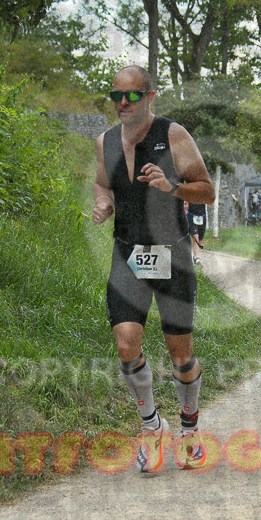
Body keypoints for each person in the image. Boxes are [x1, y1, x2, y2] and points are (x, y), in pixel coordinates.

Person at [91, 65, 215, 473]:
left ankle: (190, 428)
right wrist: (103, 202)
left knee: (181, 354)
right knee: (126, 344)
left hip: (173, 254)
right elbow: (102, 183)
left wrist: (172, 187)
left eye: (132, 95)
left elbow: (207, 191)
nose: (123, 104)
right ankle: (150, 427)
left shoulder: (172, 135)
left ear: (150, 95)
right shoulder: (105, 142)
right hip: (127, 253)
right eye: (117, 96)